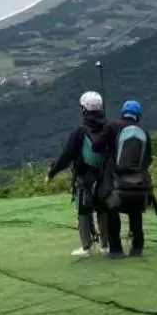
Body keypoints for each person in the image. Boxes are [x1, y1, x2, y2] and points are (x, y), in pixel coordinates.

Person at [47, 91, 110, 258]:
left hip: (85, 177)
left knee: (84, 211)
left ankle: (86, 247)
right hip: (105, 177)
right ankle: (105, 246)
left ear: (84, 109)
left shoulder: (80, 132)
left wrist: (52, 172)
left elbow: (66, 155)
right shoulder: (109, 128)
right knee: (103, 210)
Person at [93, 99, 153, 258]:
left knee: (112, 213)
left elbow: (96, 146)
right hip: (138, 184)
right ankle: (137, 248)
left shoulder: (112, 126)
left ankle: (116, 250)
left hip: (116, 183)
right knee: (135, 214)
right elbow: (148, 158)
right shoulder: (143, 132)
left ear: (123, 112)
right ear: (138, 115)